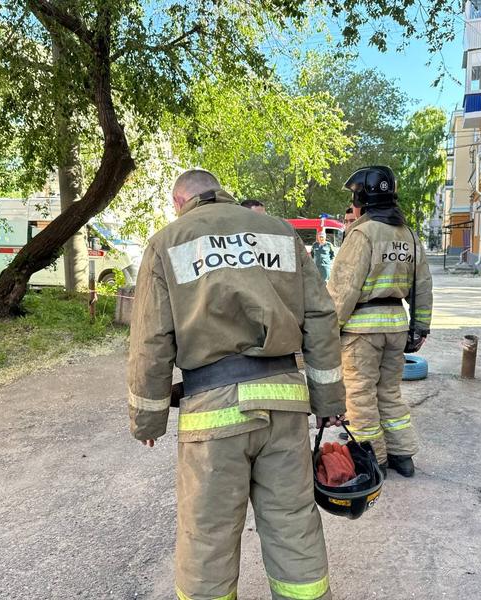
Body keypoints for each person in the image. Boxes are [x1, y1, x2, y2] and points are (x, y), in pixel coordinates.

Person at [128, 169, 345, 600]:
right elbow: (321, 317)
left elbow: (152, 339)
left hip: (213, 415)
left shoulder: (167, 243)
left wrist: (148, 417)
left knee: (207, 536)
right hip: (284, 404)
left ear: (180, 202)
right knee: (293, 523)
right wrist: (328, 400)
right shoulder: (279, 233)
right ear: (221, 191)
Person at [327, 166, 432, 478]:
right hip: (397, 327)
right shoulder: (409, 235)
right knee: (389, 393)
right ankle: (402, 455)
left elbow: (343, 289)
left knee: (359, 396)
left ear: (362, 199)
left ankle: (374, 460)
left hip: (362, 331)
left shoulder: (362, 234)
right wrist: (420, 327)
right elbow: (423, 286)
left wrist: (327, 331)